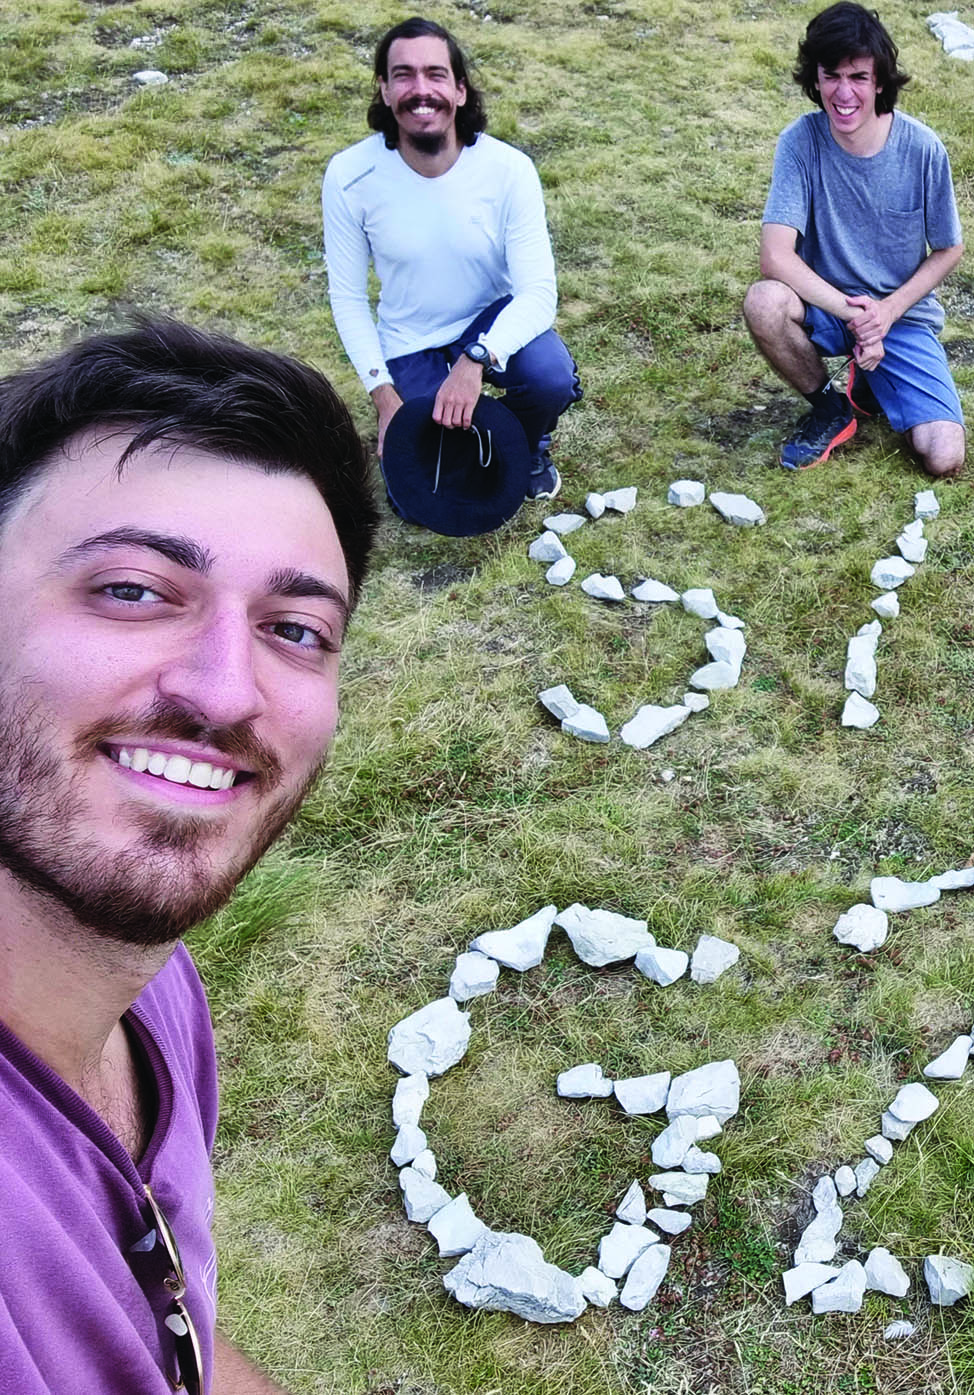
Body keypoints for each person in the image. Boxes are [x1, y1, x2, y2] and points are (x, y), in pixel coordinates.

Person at [0, 321, 379, 1393]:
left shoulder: (148, 989)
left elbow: (168, 1344)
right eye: (131, 589)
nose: (223, 691)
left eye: (295, 628)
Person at [322, 16, 579, 501]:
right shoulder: (349, 176)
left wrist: (475, 360)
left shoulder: (509, 170)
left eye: (435, 74)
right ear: (383, 90)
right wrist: (383, 395)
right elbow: (348, 297)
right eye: (403, 75)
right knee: (419, 500)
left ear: (460, 90)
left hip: (487, 323)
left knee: (549, 377)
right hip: (409, 339)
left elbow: (539, 293)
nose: (421, 91)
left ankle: (525, 447)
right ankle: (464, 440)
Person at [743, 1, 966, 477]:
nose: (844, 93)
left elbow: (950, 249)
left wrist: (886, 313)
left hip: (899, 316)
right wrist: (855, 314)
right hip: (826, 306)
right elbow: (775, 258)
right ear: (815, 79)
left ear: (880, 81)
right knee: (764, 301)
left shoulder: (924, 149)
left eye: (858, 77)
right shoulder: (799, 142)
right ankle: (829, 407)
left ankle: (874, 382)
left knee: (944, 456)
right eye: (831, 76)